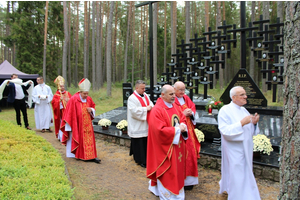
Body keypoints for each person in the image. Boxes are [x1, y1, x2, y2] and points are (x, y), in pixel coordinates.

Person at [218, 86, 260, 200]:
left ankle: (247, 193)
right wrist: (241, 123)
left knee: (245, 171)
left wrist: (254, 123)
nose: (245, 97)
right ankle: (237, 196)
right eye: (242, 94)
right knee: (236, 173)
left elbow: (249, 130)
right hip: (234, 149)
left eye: (245, 94)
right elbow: (224, 130)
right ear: (233, 97)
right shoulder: (225, 110)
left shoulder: (243, 110)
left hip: (246, 148)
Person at [147, 84, 188, 199]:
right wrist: (177, 129)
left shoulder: (174, 106)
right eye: (171, 94)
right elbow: (159, 131)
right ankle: (167, 195)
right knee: (168, 172)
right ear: (163, 95)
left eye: (174, 94)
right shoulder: (157, 110)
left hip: (177, 147)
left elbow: (182, 118)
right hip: (165, 149)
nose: (174, 96)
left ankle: (178, 193)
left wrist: (183, 125)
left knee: (177, 171)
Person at [60, 78, 100, 164]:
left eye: (87, 93)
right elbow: (69, 112)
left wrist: (92, 110)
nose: (86, 95)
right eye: (84, 94)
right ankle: (81, 155)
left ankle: (92, 156)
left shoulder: (88, 99)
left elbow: (93, 107)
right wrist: (69, 126)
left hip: (88, 124)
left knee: (90, 140)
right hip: (77, 124)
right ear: (80, 92)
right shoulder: (74, 99)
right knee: (79, 138)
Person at [174, 81, 200, 190]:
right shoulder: (172, 99)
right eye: (180, 90)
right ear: (174, 89)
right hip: (180, 132)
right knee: (182, 155)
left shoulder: (185, 98)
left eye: (184, 89)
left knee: (190, 153)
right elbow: (172, 114)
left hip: (189, 131)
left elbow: (192, 107)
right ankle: (180, 179)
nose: (183, 92)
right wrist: (183, 114)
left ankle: (189, 181)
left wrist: (191, 113)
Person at [127, 80, 154, 168]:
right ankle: (140, 160)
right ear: (137, 88)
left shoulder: (145, 95)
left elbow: (151, 104)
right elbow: (134, 111)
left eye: (144, 88)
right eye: (142, 88)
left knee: (145, 142)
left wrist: (150, 108)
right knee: (138, 143)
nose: (144, 90)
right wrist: (146, 109)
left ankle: (146, 158)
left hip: (145, 123)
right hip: (137, 124)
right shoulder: (132, 98)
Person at [51, 76, 72, 141]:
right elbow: (54, 104)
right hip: (60, 113)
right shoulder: (56, 95)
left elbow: (72, 100)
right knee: (61, 124)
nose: (63, 87)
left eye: (63, 86)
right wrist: (59, 101)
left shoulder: (67, 93)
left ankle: (68, 135)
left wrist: (69, 100)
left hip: (67, 112)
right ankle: (61, 136)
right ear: (58, 87)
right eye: (61, 86)